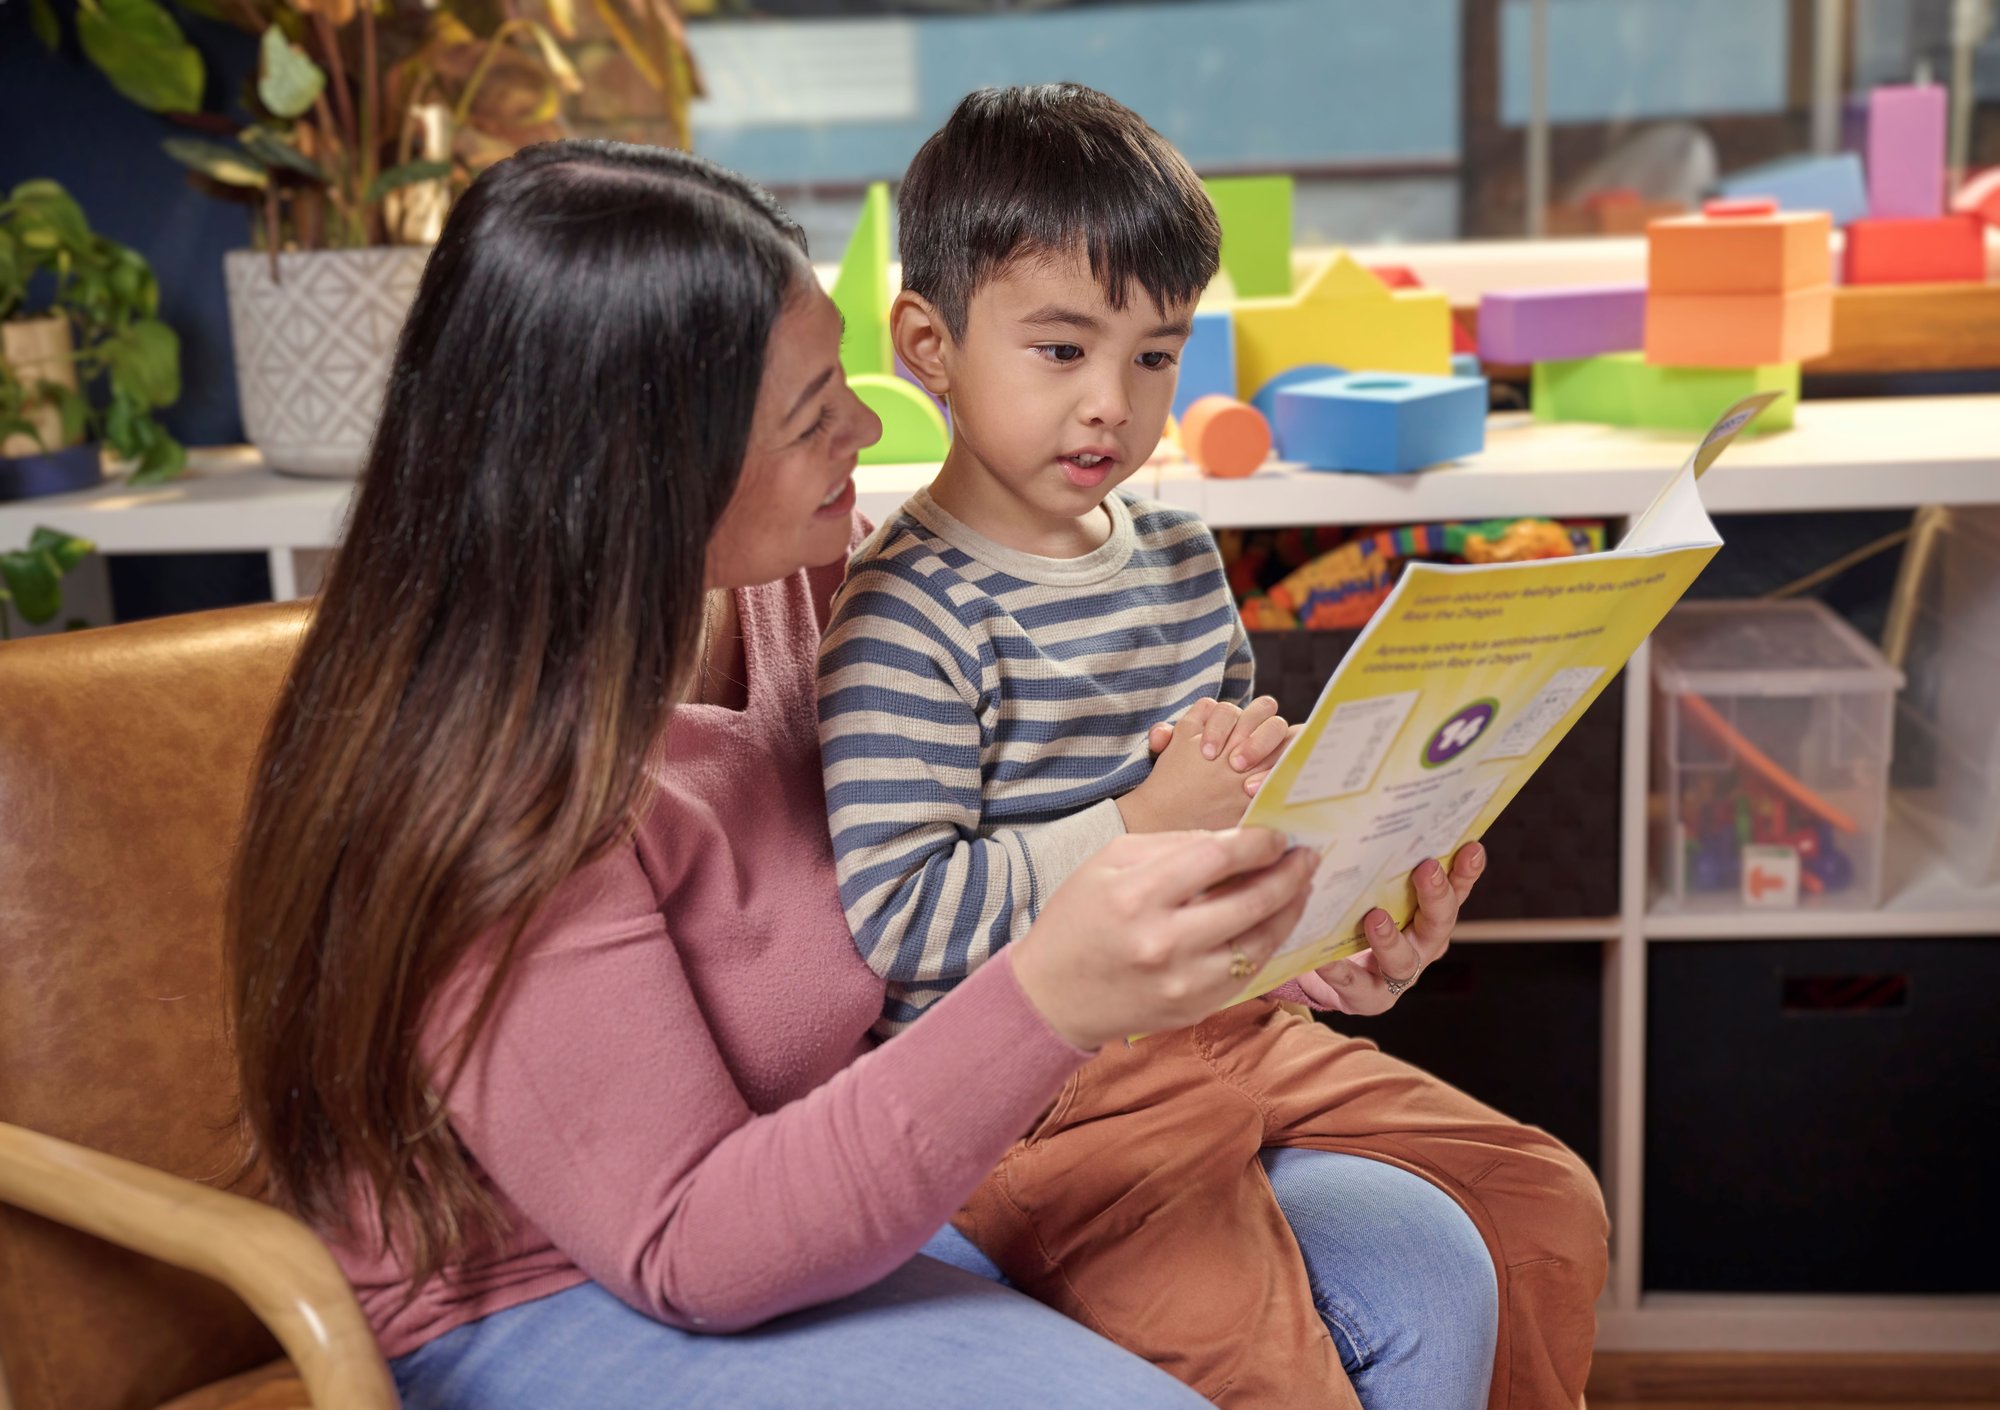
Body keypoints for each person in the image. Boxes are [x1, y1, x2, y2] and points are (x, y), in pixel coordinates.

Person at [223, 137, 1534, 1410]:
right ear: (637, 477)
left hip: (886, 1161)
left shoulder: (812, 582)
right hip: (564, 1287)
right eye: (808, 417)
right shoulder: (493, 784)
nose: (867, 420)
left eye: (840, 376)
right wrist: (1052, 992)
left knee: (1431, 1274)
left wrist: (1293, 932)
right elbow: (689, 1240)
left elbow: (1011, 845)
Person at [820, 86, 1607, 1410]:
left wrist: (1337, 925)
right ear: (927, 343)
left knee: (1542, 1197)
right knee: (1261, 1361)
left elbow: (1238, 844)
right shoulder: (909, 613)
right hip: (1045, 1091)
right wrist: (1145, 825)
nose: (1111, 407)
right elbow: (896, 917)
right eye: (1061, 350)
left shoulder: (1182, 559)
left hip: (1229, 1026)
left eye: (1152, 356)